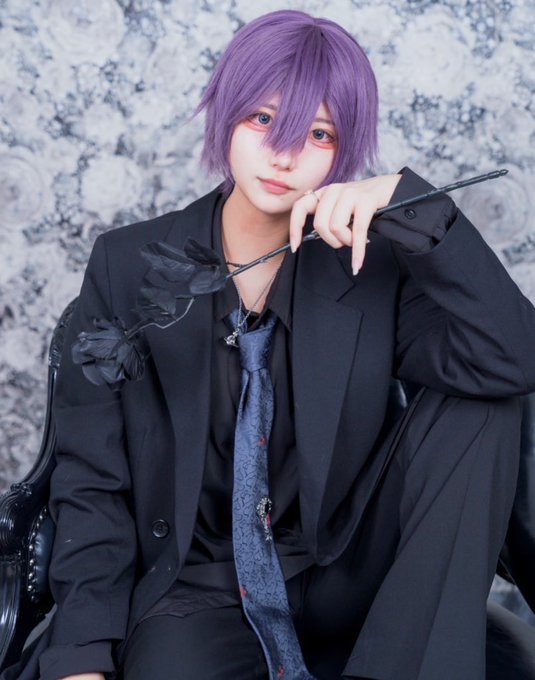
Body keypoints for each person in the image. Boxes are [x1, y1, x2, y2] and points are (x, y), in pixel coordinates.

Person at [10, 9, 535, 680]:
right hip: (199, 588)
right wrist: (79, 658)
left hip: (347, 569)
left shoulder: (375, 267)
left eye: (318, 133)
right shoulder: (125, 265)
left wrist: (418, 208)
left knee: (483, 400)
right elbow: (93, 481)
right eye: (262, 119)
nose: (284, 154)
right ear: (226, 112)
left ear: (343, 149)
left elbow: (512, 360)